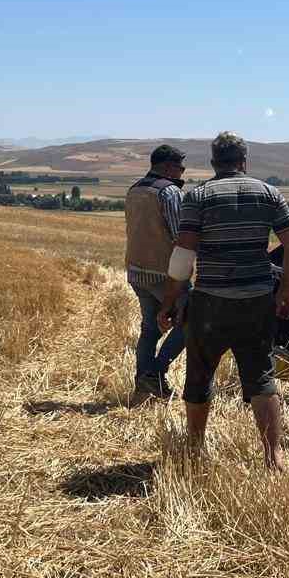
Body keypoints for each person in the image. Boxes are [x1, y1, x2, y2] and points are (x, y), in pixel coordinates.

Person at [158, 131, 289, 469]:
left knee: (199, 377)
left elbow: (183, 258)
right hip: (256, 301)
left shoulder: (199, 196)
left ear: (213, 162)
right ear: (244, 161)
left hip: (210, 302)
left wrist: (168, 303)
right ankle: (273, 457)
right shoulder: (268, 193)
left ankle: (195, 451)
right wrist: (287, 289)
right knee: (262, 379)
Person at [123, 143, 188, 401]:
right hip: (164, 274)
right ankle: (155, 372)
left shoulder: (134, 189)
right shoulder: (169, 192)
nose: (182, 173)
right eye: (181, 168)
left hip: (136, 271)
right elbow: (180, 236)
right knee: (190, 322)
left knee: (150, 329)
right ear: (168, 167)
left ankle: (143, 383)